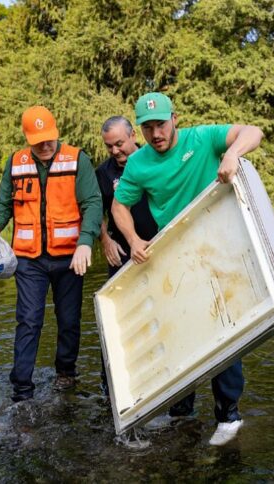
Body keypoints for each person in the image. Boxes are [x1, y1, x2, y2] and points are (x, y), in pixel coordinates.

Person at [111, 92, 263, 446]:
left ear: (174, 118)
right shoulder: (138, 164)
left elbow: (253, 131)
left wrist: (231, 153)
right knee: (179, 330)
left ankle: (229, 416)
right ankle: (183, 413)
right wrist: (133, 239)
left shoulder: (203, 137)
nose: (156, 133)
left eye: (161, 124)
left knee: (223, 325)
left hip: (218, 242)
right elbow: (120, 206)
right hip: (174, 253)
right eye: (147, 128)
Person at [0, 106, 102, 402]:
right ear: (27, 138)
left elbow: (93, 203)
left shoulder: (77, 159)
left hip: (70, 257)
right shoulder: (16, 162)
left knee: (69, 319)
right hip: (28, 258)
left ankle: (66, 373)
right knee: (29, 319)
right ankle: (22, 386)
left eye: (49, 138)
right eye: (38, 141)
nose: (45, 145)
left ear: (56, 132)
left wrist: (86, 241)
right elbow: (4, 203)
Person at [94, 115, 158, 397]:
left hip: (159, 248)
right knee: (119, 321)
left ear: (133, 135)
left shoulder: (154, 159)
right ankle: (112, 388)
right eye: (109, 147)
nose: (115, 151)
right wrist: (105, 239)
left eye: (119, 143)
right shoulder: (104, 173)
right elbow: (95, 210)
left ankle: (158, 378)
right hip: (121, 255)